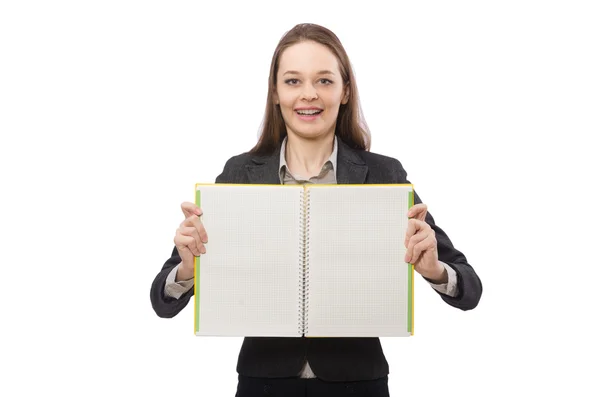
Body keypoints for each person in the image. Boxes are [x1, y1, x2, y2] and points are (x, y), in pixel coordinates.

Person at [150, 23, 482, 397]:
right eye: (293, 81)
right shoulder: (240, 174)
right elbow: (162, 302)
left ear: (345, 92)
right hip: (263, 384)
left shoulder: (383, 175)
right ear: (275, 93)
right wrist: (190, 268)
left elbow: (469, 289)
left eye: (324, 81)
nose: (309, 95)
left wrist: (434, 269)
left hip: (358, 384)